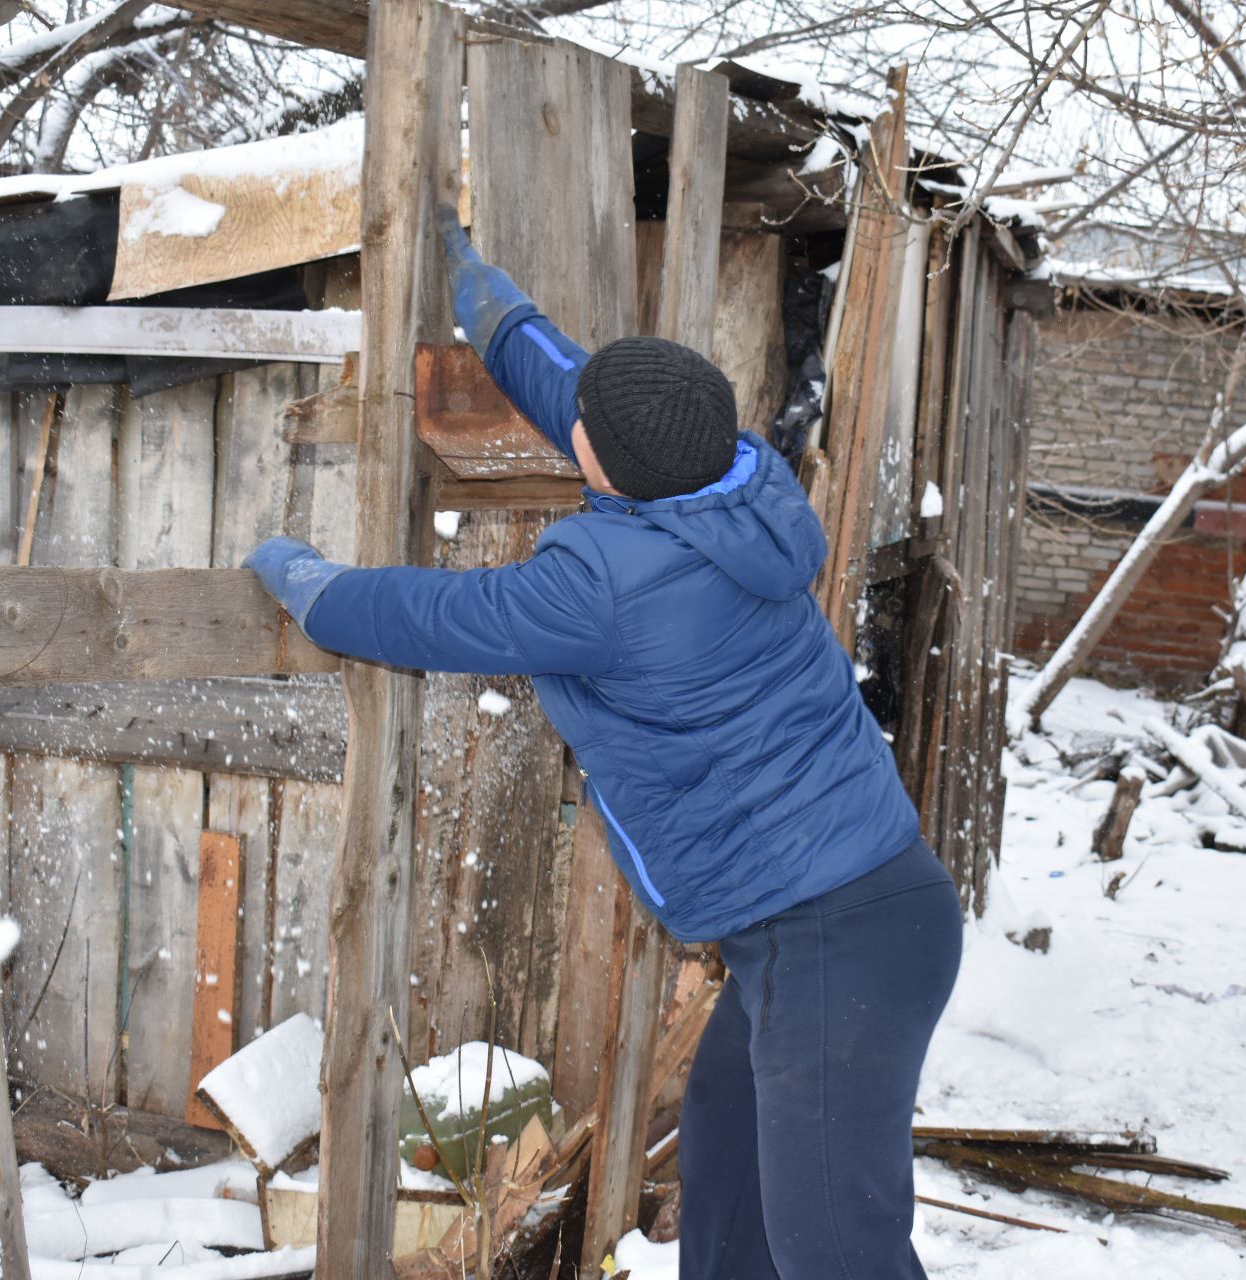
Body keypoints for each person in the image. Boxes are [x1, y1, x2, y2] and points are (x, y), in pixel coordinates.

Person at [244, 205, 962, 1278]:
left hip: (833, 938)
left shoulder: (606, 585)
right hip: (835, 917)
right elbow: (571, 380)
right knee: (729, 1208)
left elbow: (423, 619)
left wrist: (298, 575)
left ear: (607, 462)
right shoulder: (733, 478)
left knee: (835, 1250)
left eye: (586, 421)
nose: (571, 411)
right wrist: (472, 282)